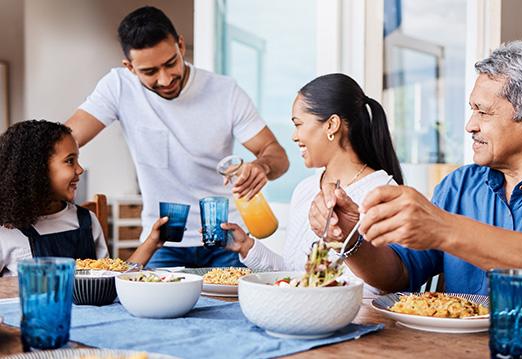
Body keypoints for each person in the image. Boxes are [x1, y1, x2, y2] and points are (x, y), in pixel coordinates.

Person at [310, 41, 522, 328]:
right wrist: (352, 239)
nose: (470, 125)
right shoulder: (460, 185)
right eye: (472, 110)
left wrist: (443, 228)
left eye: (483, 112)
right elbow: (398, 274)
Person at [65, 6, 289, 268]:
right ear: (130, 68)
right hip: (163, 242)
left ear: (181, 46)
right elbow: (65, 140)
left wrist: (262, 166)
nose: (165, 78)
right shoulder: (118, 87)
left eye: (171, 63)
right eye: (150, 72)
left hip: (226, 239)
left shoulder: (225, 92)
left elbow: (278, 155)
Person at [221, 73, 403, 296]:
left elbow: (384, 286)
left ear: (331, 125)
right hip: (303, 318)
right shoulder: (305, 189)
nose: (294, 136)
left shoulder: (384, 193)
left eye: (298, 125)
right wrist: (247, 247)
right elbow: (296, 277)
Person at [0, 120, 166, 276]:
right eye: (70, 161)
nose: (80, 169)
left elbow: (112, 278)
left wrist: (152, 241)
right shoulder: (6, 231)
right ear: (37, 170)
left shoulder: (87, 220)